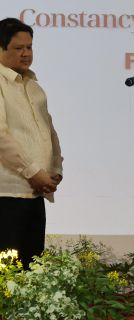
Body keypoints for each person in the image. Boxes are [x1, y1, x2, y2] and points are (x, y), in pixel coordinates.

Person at [0, 18, 63, 269]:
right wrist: (33, 172)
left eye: (30, 47)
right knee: (7, 275)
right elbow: (1, 137)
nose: (26, 54)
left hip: (35, 192)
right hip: (7, 193)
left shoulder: (35, 87)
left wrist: (55, 169)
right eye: (18, 48)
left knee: (31, 271)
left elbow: (50, 132)